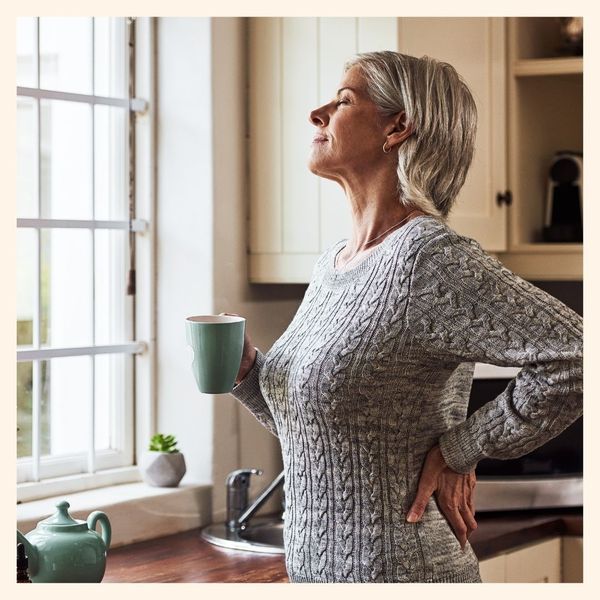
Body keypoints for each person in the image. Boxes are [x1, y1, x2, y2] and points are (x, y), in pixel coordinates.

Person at [224, 51, 583, 583]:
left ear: (398, 127)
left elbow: (577, 355)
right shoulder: (333, 265)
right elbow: (324, 433)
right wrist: (251, 376)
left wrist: (461, 449)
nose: (316, 114)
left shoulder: (427, 258)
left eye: (343, 101)